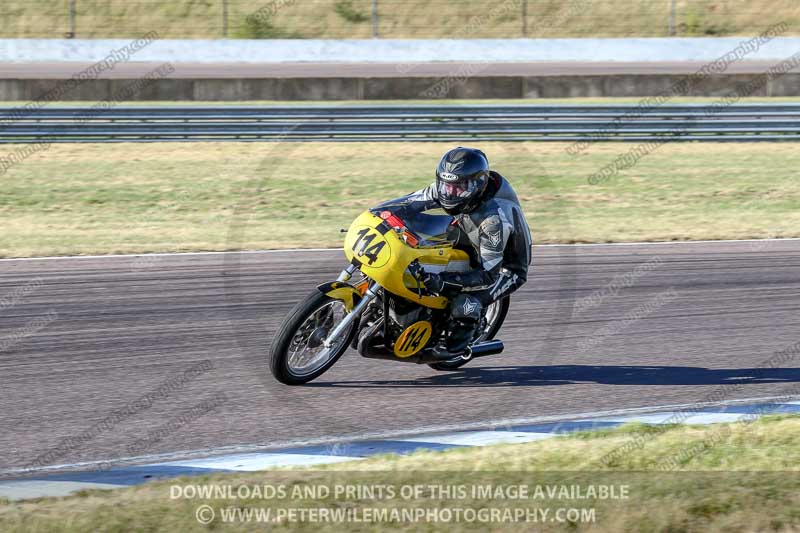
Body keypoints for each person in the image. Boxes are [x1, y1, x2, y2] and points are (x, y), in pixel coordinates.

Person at [375, 147, 532, 359]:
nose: (451, 193)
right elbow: (408, 203)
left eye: (459, 188)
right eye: (446, 185)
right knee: (423, 252)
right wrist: (376, 215)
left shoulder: (494, 221)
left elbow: (487, 275)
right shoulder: (450, 187)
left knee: (465, 304)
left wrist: (442, 282)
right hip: (469, 231)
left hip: (503, 267)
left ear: (478, 184)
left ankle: (458, 345)